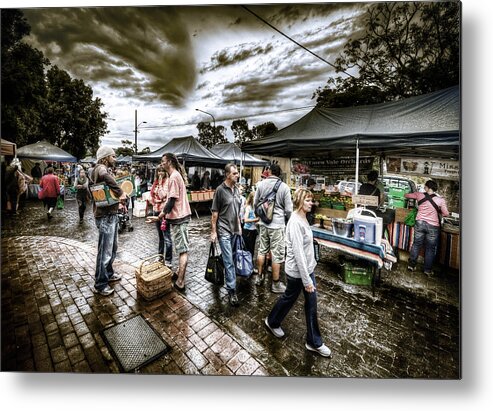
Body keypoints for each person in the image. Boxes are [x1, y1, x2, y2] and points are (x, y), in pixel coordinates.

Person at [264, 188, 332, 357]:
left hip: (307, 270)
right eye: (308, 200)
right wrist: (307, 280)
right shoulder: (295, 221)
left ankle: (313, 341)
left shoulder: (304, 218)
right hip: (298, 273)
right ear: (300, 201)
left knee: (309, 303)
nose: (312, 203)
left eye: (312, 200)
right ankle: (272, 322)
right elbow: (298, 254)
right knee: (290, 298)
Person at [253, 163, 293, 293]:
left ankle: (259, 277)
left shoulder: (261, 184)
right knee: (277, 254)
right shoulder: (284, 187)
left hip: (263, 224)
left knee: (261, 250)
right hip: (277, 225)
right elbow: (288, 210)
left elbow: (255, 204)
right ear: (279, 173)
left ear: (269, 172)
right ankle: (275, 284)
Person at [92, 146, 126, 296]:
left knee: (112, 249)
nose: (115, 159)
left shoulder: (100, 169)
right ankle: (100, 284)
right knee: (104, 251)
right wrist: (121, 192)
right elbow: (104, 175)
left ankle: (109, 273)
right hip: (105, 216)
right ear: (105, 157)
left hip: (110, 214)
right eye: (113, 156)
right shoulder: (100, 168)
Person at [158, 153, 192, 292]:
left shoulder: (173, 177)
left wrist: (161, 214)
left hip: (180, 217)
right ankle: (179, 273)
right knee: (181, 248)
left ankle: (180, 281)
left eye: (163, 161)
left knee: (183, 250)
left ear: (170, 162)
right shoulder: (176, 175)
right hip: (180, 217)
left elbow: (171, 200)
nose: (161, 164)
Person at [210, 163, 242, 306]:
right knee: (229, 262)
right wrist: (213, 232)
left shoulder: (236, 189)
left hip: (235, 229)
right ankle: (231, 291)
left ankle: (222, 265)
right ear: (228, 174)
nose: (238, 175)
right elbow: (214, 214)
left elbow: (237, 209)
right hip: (223, 230)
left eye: (237, 173)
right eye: (235, 173)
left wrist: (240, 226)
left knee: (230, 258)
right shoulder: (220, 190)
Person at [405, 180, 449, 277]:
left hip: (419, 223)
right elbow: (446, 214)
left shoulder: (419, 195)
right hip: (433, 226)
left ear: (428, 187)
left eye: (425, 186)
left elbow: (406, 195)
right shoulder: (440, 200)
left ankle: (411, 266)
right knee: (430, 248)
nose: (424, 187)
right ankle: (427, 270)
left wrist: (416, 195)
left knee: (416, 244)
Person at [150, 166, 173, 267]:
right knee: (160, 236)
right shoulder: (155, 182)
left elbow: (164, 195)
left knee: (166, 236)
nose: (160, 173)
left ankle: (168, 259)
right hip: (156, 210)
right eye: (159, 171)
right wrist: (154, 200)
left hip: (163, 212)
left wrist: (160, 185)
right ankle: (160, 256)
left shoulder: (167, 182)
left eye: (162, 171)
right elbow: (152, 195)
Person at [242, 190, 259, 273]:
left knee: (251, 250)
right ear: (252, 199)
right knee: (248, 250)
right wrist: (256, 219)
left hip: (253, 231)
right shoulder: (248, 207)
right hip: (247, 231)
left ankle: (249, 268)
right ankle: (248, 268)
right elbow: (245, 220)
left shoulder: (255, 207)